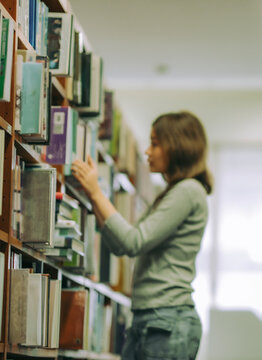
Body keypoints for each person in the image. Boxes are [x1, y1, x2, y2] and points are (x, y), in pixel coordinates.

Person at [72, 111, 213, 360]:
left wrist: (97, 192)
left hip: (165, 320)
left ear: (178, 147)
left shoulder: (188, 191)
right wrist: (94, 198)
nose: (148, 151)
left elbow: (132, 241)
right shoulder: (173, 192)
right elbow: (120, 245)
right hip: (152, 318)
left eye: (155, 144)